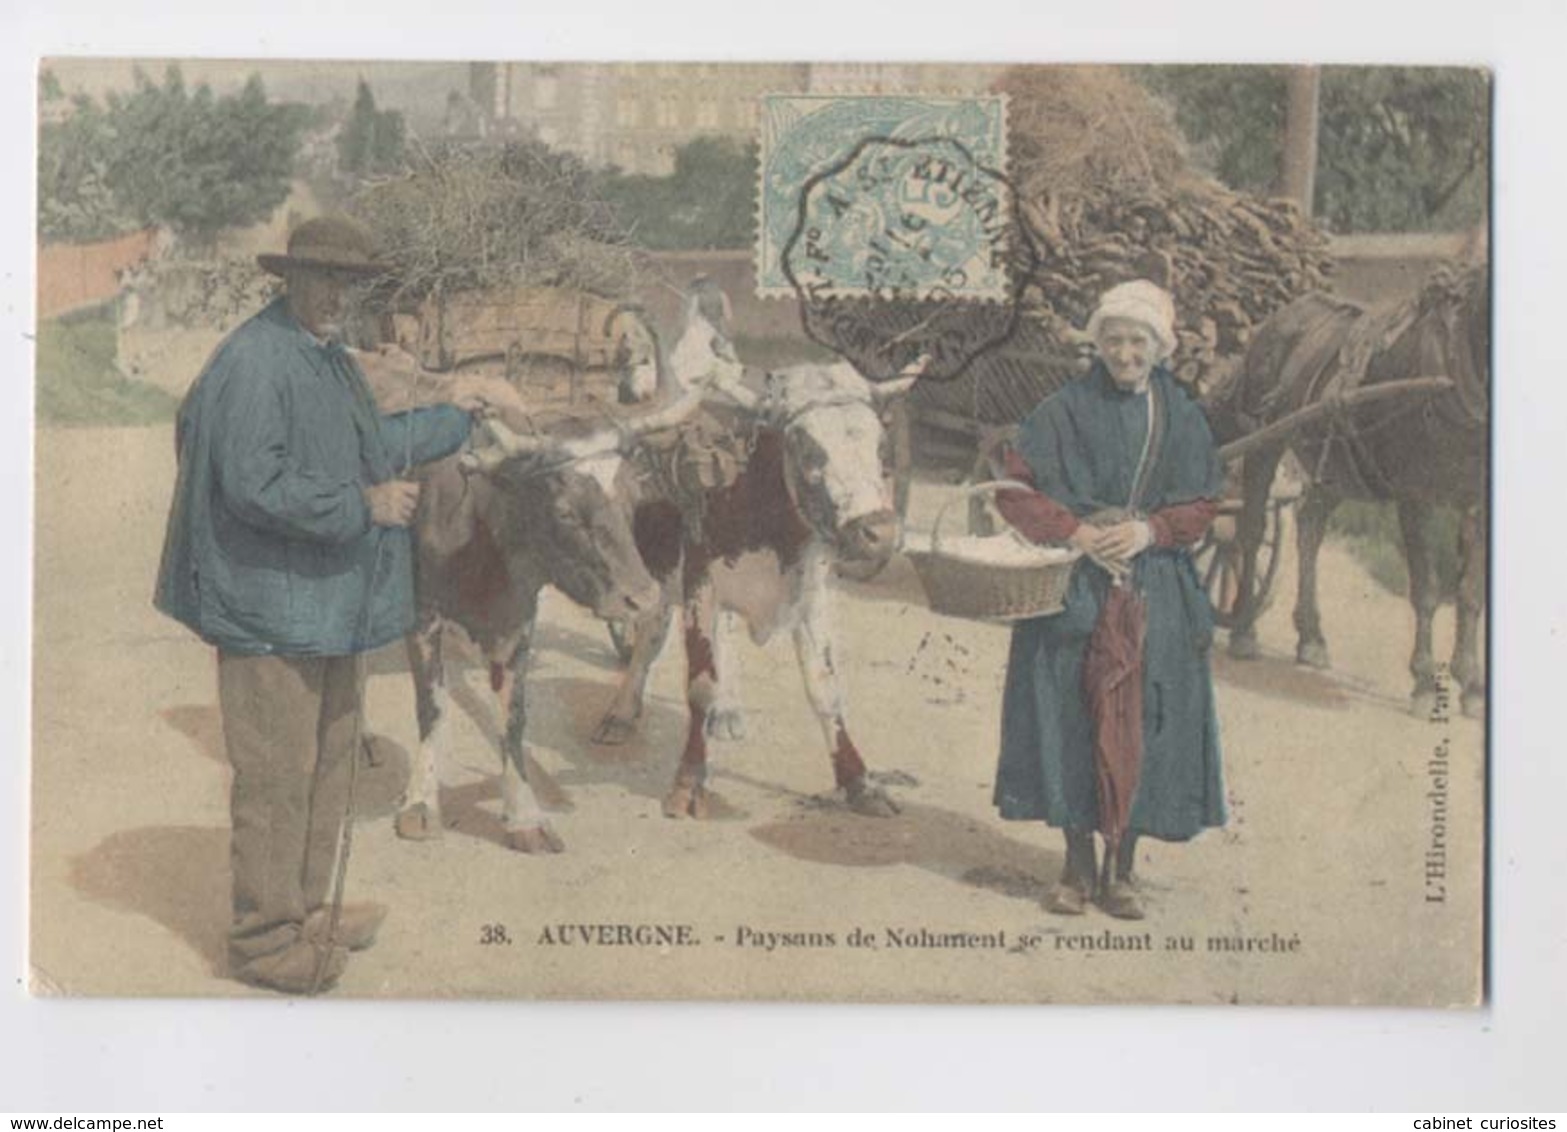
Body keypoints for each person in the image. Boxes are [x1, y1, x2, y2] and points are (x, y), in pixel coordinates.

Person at [154, 215, 482, 993]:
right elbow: (251, 481)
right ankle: (265, 944)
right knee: (275, 777)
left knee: (327, 762)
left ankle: (304, 910)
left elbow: (373, 442)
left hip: (324, 604)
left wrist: (464, 412)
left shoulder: (321, 355)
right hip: (269, 606)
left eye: (352, 282)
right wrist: (362, 506)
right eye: (327, 278)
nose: (341, 295)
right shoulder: (255, 362)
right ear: (291, 278)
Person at [993, 279, 1226, 920]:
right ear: (1097, 345)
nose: (1126, 354)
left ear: (1160, 348)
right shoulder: (1061, 411)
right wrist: (1077, 533)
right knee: (1069, 716)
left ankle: (1122, 870)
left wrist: (1151, 529)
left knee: (1147, 721)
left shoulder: (1179, 414)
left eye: (1138, 342)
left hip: (1155, 587)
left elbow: (1202, 501)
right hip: (1076, 587)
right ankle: (1075, 868)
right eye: (1115, 341)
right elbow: (1013, 491)